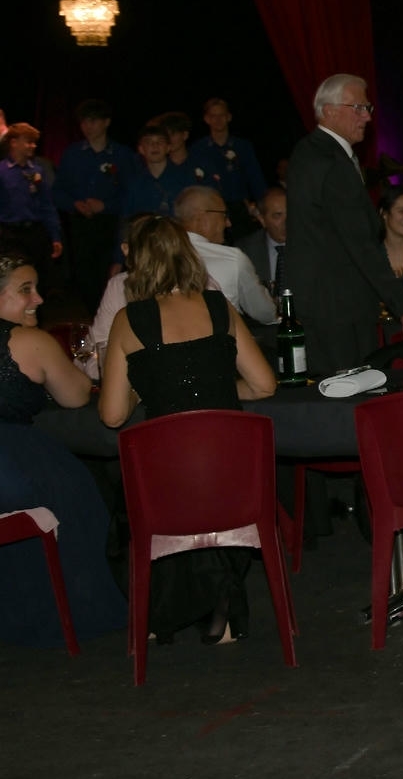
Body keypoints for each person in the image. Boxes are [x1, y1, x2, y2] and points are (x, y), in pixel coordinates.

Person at [97, 216, 277, 645]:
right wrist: (215, 388)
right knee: (203, 482)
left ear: (139, 264)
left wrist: (148, 389)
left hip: (168, 476)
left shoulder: (129, 320)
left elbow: (112, 415)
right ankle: (219, 605)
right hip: (231, 471)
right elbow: (263, 385)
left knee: (133, 498)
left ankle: (161, 612)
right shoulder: (219, 307)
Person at [0, 253, 126, 649]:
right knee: (79, 486)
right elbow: (75, 395)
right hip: (11, 464)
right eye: (25, 290)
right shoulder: (28, 341)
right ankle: (74, 609)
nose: (38, 299)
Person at [285, 74, 403, 374]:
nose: (367, 117)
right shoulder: (331, 161)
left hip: (324, 302)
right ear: (329, 110)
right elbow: (359, 242)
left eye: (368, 108)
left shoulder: (310, 151)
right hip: (339, 307)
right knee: (351, 391)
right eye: (358, 108)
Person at [54, 99, 138, 310]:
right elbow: (57, 191)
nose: (87, 127)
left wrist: (105, 206)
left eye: (93, 121)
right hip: (81, 225)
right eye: (84, 122)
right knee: (85, 278)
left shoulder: (122, 155)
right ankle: (94, 318)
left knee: (111, 275)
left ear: (106, 122)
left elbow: (132, 196)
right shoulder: (73, 153)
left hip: (112, 225)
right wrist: (75, 204)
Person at [173, 186, 276, 327]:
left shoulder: (156, 256)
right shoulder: (232, 259)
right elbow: (265, 313)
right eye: (224, 215)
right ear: (202, 218)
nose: (228, 223)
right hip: (222, 338)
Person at [189, 98, 268, 240]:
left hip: (241, 210)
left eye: (222, 115)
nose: (218, 120)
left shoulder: (242, 146)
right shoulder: (197, 149)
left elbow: (256, 179)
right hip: (211, 211)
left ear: (229, 117)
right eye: (213, 116)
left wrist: (263, 206)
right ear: (206, 119)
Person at [0, 124, 62, 278]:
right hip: (9, 234)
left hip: (34, 233)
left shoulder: (37, 171)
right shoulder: (2, 171)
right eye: (29, 142)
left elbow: (47, 205)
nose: (33, 146)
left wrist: (55, 236)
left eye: (34, 142)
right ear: (14, 143)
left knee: (36, 275)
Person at [119, 125, 194, 219]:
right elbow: (125, 218)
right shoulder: (133, 182)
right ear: (141, 149)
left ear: (168, 147)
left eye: (160, 142)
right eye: (148, 142)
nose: (155, 146)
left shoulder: (185, 178)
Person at [236, 187, 288, 296]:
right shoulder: (245, 250)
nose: (287, 222)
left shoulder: (313, 246)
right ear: (262, 219)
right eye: (277, 215)